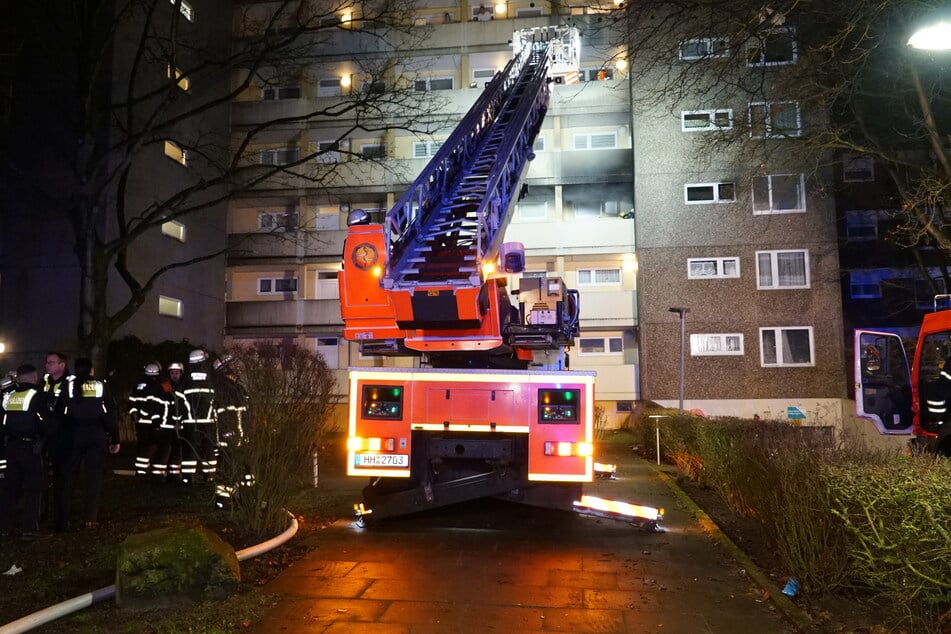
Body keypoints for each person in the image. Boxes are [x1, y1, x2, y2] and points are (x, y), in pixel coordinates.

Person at [55, 358, 119, 530]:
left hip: (72, 436)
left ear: (76, 371)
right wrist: (115, 438)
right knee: (93, 478)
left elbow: (59, 413)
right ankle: (90, 518)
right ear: (91, 370)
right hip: (95, 435)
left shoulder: (67, 386)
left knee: (68, 479)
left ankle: (63, 519)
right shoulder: (99, 386)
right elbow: (110, 414)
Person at [0, 365, 49, 540]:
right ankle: (30, 529)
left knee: (9, 490)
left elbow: (3, 422)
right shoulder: (37, 396)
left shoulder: (10, 397)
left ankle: (4, 528)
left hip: (11, 448)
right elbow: (46, 423)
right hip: (31, 449)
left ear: (18, 379)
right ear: (35, 377)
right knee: (35, 489)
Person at [213, 355, 251, 508]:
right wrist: (229, 434)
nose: (236, 367)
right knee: (227, 469)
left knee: (241, 469)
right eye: (232, 364)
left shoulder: (237, 387)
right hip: (229, 438)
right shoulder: (224, 389)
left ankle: (240, 496)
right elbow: (225, 414)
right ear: (225, 368)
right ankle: (223, 501)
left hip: (241, 437)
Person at [41, 352, 73, 531]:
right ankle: (43, 513)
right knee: (43, 478)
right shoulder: (45, 381)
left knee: (63, 480)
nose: (47, 366)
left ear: (62, 364)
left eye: (51, 362)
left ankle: (62, 518)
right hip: (47, 436)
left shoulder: (70, 382)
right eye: (47, 362)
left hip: (64, 438)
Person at [178, 349, 217, 483]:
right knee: (208, 448)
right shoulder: (211, 378)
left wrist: (180, 417)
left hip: (190, 421)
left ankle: (188, 477)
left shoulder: (186, 379)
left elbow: (178, 398)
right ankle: (209, 476)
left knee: (190, 448)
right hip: (208, 421)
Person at [129, 362, 172, 479]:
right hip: (151, 422)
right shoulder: (155, 386)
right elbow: (154, 405)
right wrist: (156, 420)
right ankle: (153, 473)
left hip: (140, 422)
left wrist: (134, 413)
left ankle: (140, 471)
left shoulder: (138, 385)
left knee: (142, 446)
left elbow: (132, 401)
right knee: (152, 446)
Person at [163, 361, 186, 482]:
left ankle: (175, 474)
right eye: (172, 373)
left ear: (181, 373)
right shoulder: (165, 386)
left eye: (177, 373)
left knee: (178, 451)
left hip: (181, 426)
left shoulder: (185, 387)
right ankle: (166, 473)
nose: (174, 375)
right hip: (167, 426)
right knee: (167, 450)